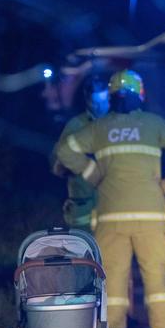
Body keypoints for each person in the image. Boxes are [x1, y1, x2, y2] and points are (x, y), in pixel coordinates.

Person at [56, 69, 165, 328]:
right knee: (157, 277)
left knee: (113, 278)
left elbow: (65, 150)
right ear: (140, 94)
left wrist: (93, 174)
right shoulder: (155, 124)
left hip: (110, 216)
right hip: (150, 215)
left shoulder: (99, 128)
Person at [51, 76, 110, 231]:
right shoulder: (75, 126)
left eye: (103, 101)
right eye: (95, 102)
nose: (100, 107)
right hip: (84, 205)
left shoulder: (117, 125)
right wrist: (77, 163)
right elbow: (56, 164)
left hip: (112, 204)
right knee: (83, 252)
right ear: (87, 100)